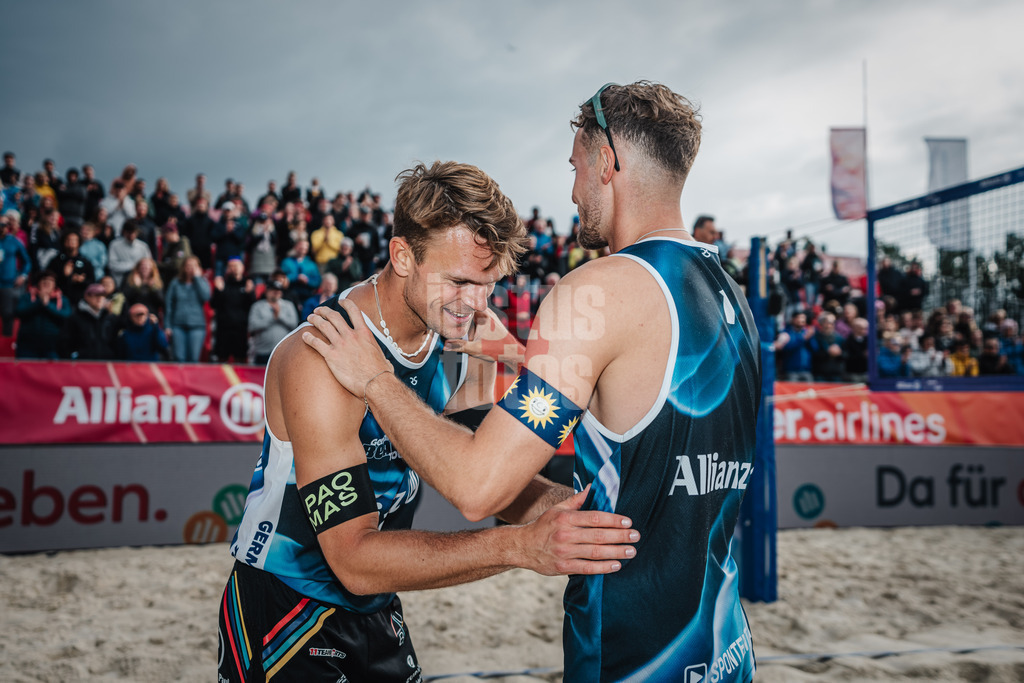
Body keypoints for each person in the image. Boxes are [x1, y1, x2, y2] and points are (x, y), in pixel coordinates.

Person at [302, 82, 759, 683]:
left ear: (606, 161)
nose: (572, 191)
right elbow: (636, 406)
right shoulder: (730, 294)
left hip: (632, 654)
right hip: (723, 645)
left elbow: (477, 487)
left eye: (575, 167)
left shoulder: (594, 292)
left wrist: (375, 379)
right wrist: (516, 359)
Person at [222, 160, 638, 683]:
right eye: (460, 280)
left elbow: (478, 472)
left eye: (489, 283)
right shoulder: (324, 357)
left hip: (379, 600)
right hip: (287, 609)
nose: (477, 303)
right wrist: (522, 547)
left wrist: (573, 510)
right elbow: (351, 558)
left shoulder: (456, 335)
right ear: (402, 256)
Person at [164, 256, 210, 362]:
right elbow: (169, 305)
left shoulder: (202, 282)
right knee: (179, 358)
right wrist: (167, 325)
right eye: (189, 266)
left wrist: (198, 278)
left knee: (193, 358)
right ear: (184, 268)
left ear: (198, 268)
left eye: (194, 266)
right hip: (177, 325)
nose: (191, 268)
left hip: (197, 326)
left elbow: (206, 296)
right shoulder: (175, 283)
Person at [15, 270, 71, 359]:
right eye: (44, 279)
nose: (47, 282)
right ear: (38, 283)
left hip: (53, 346)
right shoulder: (27, 296)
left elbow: (66, 316)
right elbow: (19, 312)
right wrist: (39, 302)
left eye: (51, 280)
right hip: (27, 346)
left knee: (52, 372)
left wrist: (48, 305)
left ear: (55, 284)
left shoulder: (63, 300)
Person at [211, 257, 255, 363]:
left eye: (236, 265)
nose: (233, 268)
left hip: (240, 329)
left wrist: (250, 293)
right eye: (230, 266)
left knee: (240, 358)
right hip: (223, 329)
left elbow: (252, 306)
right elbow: (214, 305)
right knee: (222, 358)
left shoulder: (247, 284)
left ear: (242, 268)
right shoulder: (223, 284)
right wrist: (218, 291)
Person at [245, 279, 297, 365]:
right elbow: (252, 327)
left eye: (279, 291)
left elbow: (294, 325)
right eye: (274, 290)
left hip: (284, 351)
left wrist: (280, 316)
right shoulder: (257, 306)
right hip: (262, 351)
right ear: (267, 291)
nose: (276, 293)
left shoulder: (288, 305)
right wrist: (272, 318)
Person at [62, 282, 116, 360]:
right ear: (86, 297)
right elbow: (65, 343)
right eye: (96, 295)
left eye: (102, 295)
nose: (99, 298)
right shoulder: (75, 318)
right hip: (82, 366)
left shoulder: (109, 318)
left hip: (106, 366)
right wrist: (74, 356)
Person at [1, 212, 31, 336]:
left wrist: (23, 275)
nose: (1, 227)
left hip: (8, 284)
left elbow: (27, 261)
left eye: (3, 225)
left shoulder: (14, 241)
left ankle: (6, 348)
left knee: (8, 315)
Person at [107, 220, 153, 287]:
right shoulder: (114, 245)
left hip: (140, 282)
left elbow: (149, 264)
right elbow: (112, 265)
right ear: (124, 232)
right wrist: (133, 266)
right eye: (129, 232)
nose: (132, 235)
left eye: (134, 232)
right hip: (120, 281)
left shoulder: (143, 246)